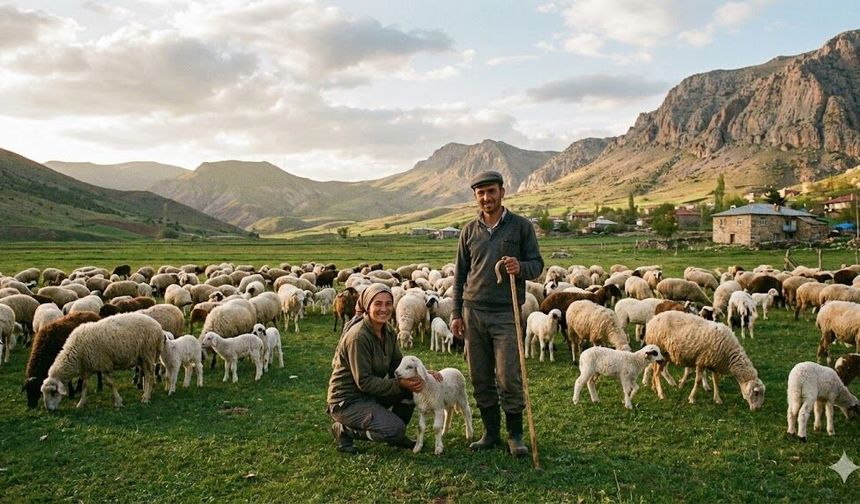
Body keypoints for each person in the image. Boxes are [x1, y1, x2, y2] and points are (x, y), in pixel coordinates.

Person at [450, 170, 544, 457]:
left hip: (506, 313)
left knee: (508, 377)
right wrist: (456, 313)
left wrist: (521, 267)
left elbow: (537, 264)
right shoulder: (469, 230)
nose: (486, 198)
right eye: (481, 193)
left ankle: (514, 435)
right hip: (473, 311)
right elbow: (460, 274)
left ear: (502, 192)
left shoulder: (520, 227)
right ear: (475, 196)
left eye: (491, 191)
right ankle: (490, 433)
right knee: (480, 376)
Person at [326, 283, 424, 453]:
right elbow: (364, 382)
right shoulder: (358, 338)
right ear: (367, 306)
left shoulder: (389, 332)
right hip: (348, 401)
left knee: (411, 392)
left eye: (388, 304)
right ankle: (344, 430)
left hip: (369, 394)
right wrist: (400, 384)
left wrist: (425, 375)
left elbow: (398, 366)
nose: (384, 309)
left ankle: (391, 434)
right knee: (395, 428)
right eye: (377, 303)